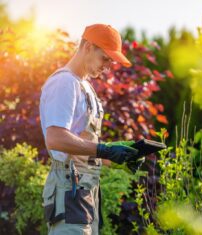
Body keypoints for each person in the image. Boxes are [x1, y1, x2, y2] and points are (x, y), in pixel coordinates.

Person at [39, 24, 139, 235]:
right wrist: (103, 149)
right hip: (69, 190)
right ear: (87, 46)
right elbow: (55, 138)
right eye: (105, 58)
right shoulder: (64, 82)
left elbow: (83, 150)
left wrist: (119, 157)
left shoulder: (85, 86)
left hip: (85, 192)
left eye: (111, 61)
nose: (107, 66)